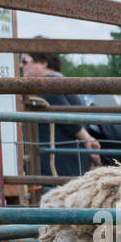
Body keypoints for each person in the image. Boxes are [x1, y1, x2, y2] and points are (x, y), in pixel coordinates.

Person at [20, 48, 101, 177]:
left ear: (42, 62)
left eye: (24, 61)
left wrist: (87, 139)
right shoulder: (65, 84)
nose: (20, 65)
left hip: (57, 168)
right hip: (72, 163)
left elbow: (65, 117)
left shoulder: (47, 84)